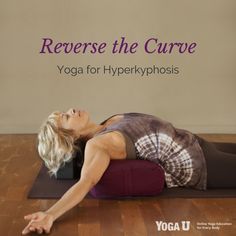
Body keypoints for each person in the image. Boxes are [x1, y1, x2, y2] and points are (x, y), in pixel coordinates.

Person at [22, 108, 236, 235]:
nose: (71, 110)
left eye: (64, 112)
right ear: (70, 137)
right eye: (66, 118)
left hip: (196, 142)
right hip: (197, 162)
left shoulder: (108, 122)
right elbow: (86, 182)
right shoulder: (98, 145)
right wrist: (50, 214)